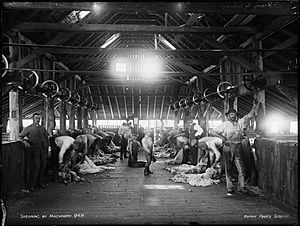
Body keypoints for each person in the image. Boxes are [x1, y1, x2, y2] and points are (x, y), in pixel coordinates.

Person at [210, 99, 259, 195]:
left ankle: (241, 186)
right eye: (231, 115)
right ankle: (230, 186)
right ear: (228, 116)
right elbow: (212, 132)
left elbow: (249, 115)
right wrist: (223, 138)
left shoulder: (240, 123)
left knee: (241, 168)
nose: (233, 116)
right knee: (228, 168)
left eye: (234, 114)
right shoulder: (224, 125)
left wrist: (254, 106)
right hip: (228, 147)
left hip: (238, 147)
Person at [19, 113, 50, 192]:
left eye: (39, 118)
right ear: (33, 119)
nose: (38, 119)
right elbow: (20, 136)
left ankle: (40, 183)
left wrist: (48, 150)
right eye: (36, 118)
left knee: (43, 166)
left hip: (43, 150)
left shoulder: (43, 129)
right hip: (34, 150)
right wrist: (25, 142)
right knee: (35, 167)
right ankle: (32, 185)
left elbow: (47, 139)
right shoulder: (28, 128)